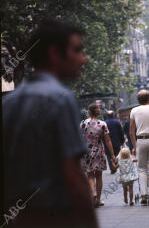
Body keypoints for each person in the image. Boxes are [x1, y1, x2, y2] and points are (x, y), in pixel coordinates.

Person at [2, 19, 98, 227]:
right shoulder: (61, 99)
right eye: (77, 50)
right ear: (55, 53)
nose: (84, 59)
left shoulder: (9, 103)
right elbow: (72, 172)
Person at [81, 103, 115, 207]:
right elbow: (108, 140)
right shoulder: (102, 124)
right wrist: (112, 155)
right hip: (99, 151)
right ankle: (98, 200)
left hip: (87, 151)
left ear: (89, 112)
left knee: (90, 174)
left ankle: (93, 193)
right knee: (99, 176)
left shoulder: (83, 123)